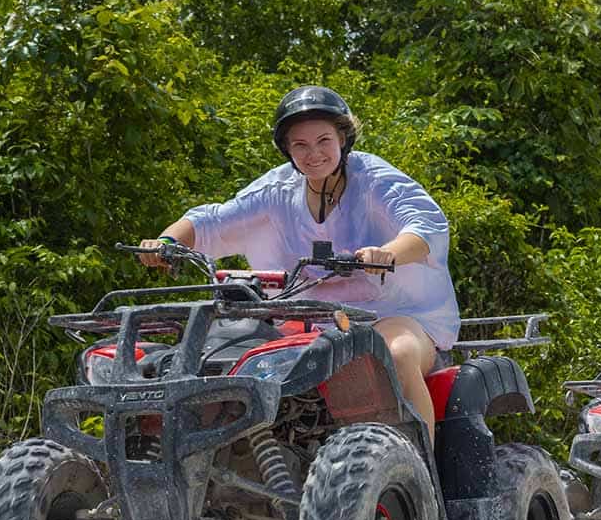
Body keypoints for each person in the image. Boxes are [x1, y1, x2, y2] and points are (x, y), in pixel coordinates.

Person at [137, 85, 461, 439]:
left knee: (393, 355)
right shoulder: (276, 190)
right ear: (288, 151)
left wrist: (389, 252)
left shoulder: (374, 179)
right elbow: (211, 221)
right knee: (216, 356)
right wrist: (166, 241)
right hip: (306, 322)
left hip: (393, 314)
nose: (314, 154)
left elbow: (425, 226)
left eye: (323, 141)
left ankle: (416, 474)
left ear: (343, 138)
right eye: (300, 145)